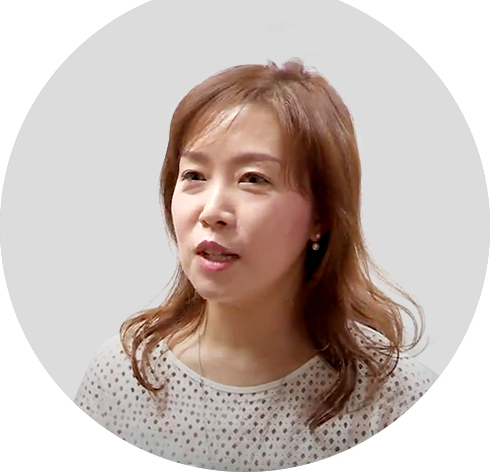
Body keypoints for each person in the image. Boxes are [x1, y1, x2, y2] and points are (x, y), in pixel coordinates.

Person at [74, 59, 437, 471]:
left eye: (253, 179)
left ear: (321, 216)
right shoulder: (120, 375)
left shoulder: (395, 403)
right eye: (194, 175)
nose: (212, 211)